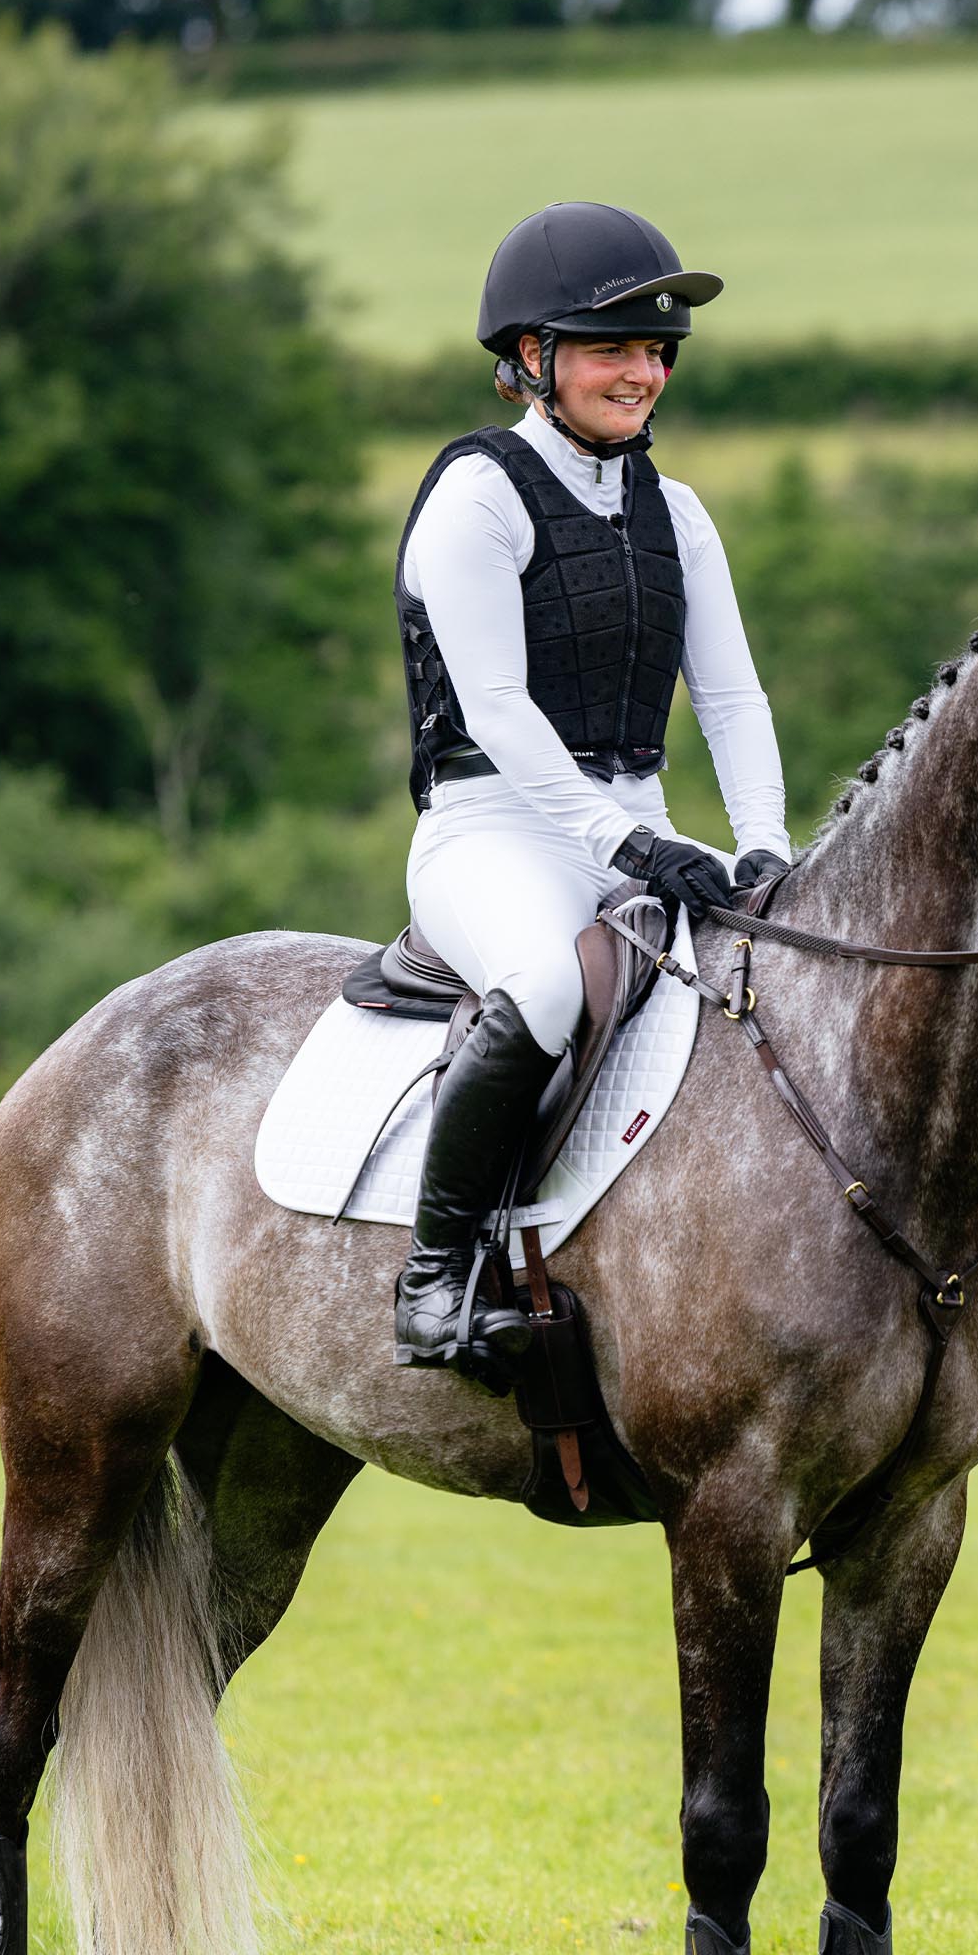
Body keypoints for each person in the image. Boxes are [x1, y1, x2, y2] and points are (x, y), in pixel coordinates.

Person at [393, 200, 791, 1379]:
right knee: (544, 990)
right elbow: (501, 712)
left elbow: (730, 699)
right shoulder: (477, 498)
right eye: (614, 347)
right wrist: (630, 846)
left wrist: (762, 845)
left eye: (658, 349)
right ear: (529, 358)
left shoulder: (679, 513)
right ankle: (432, 1274)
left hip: (637, 825)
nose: (645, 372)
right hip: (490, 831)